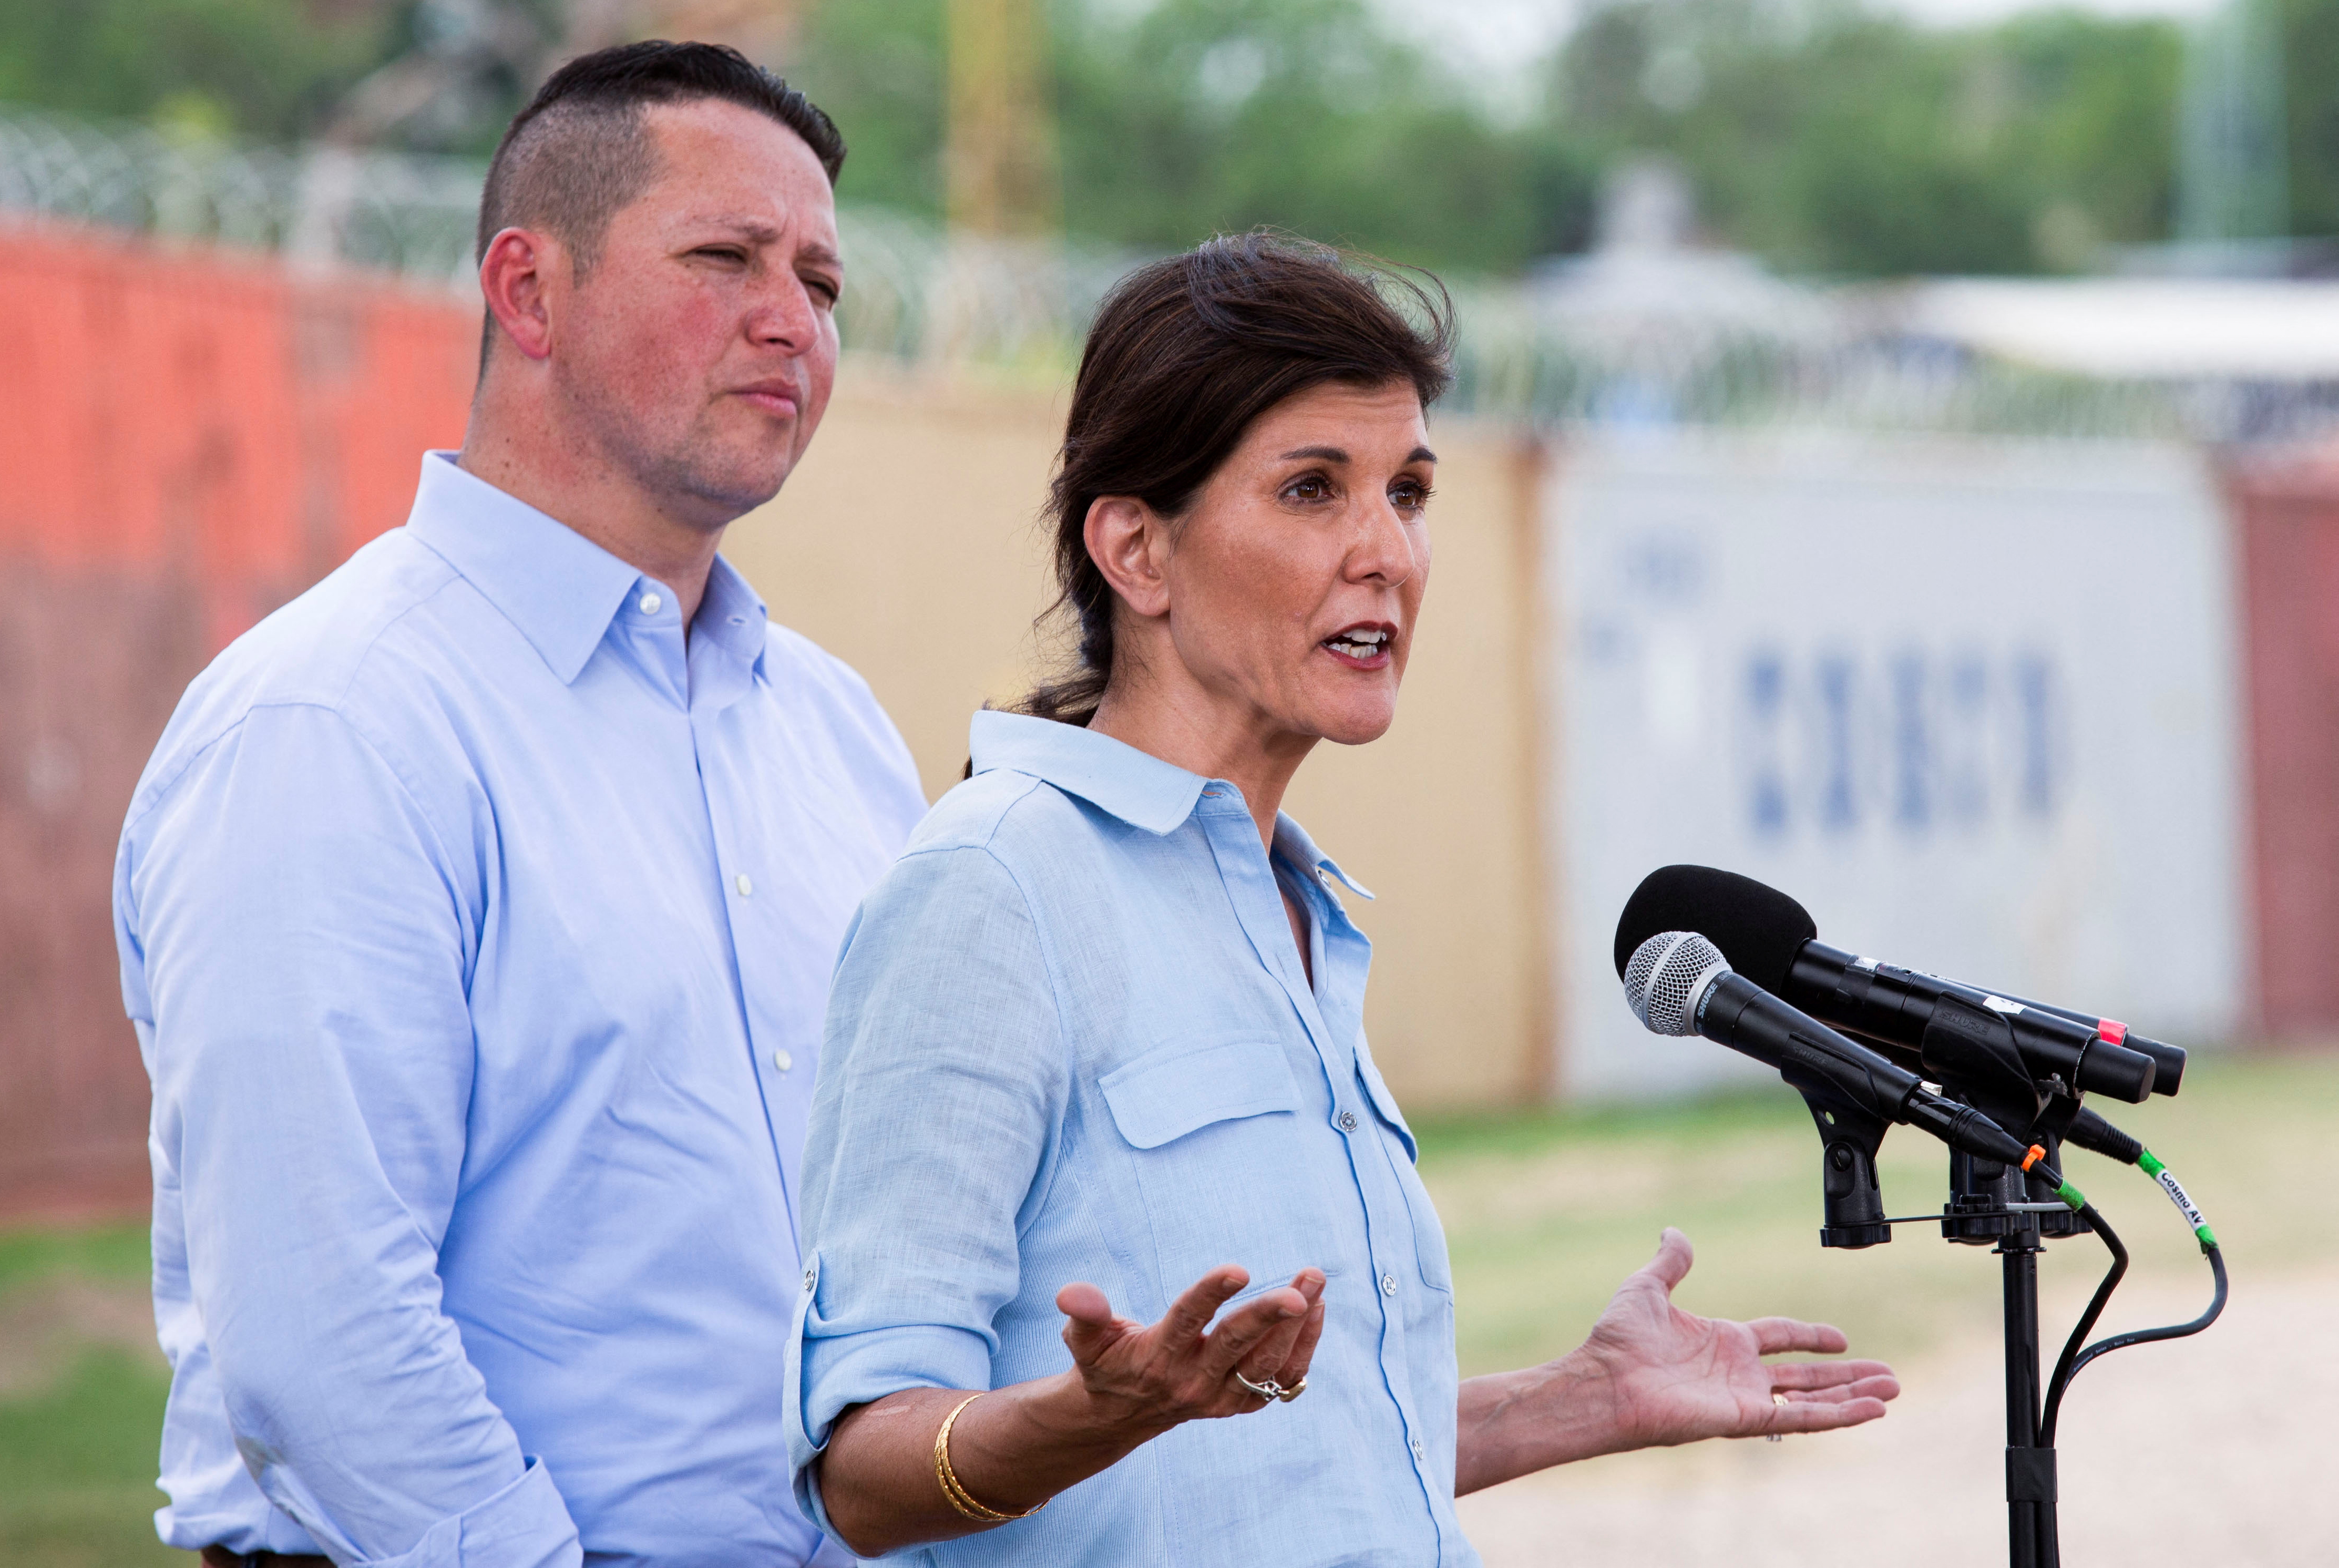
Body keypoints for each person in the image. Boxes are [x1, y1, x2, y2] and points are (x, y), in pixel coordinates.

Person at [785, 233, 1902, 1563]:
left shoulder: (1298, 902)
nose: (1387, 552)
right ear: (1136, 552)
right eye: (1313, 489)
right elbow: (863, 1469)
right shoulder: (994, 885)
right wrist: (1093, 1417)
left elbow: (1292, 1457)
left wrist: (1574, 1399)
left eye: (1410, 490)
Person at [114, 43, 923, 1568]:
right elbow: (317, 1318)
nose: (789, 321)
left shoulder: (829, 728)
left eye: (819, 281)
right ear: (527, 290)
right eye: (724, 258)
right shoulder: (340, 721)